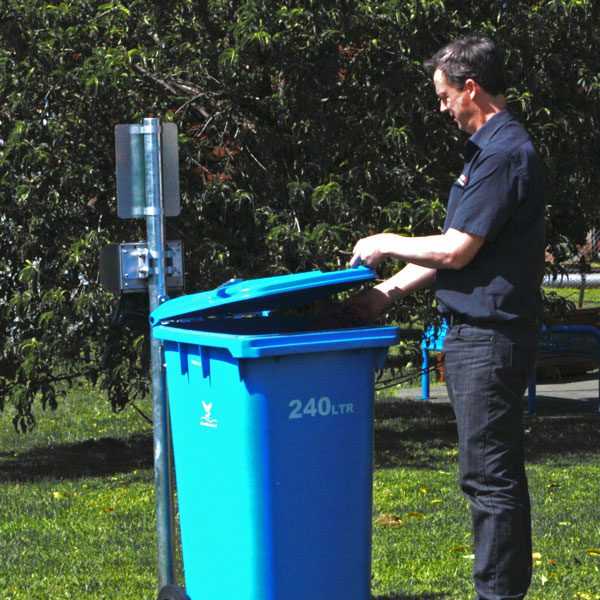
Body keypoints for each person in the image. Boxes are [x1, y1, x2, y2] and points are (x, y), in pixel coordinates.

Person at [342, 36, 546, 600]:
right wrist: (384, 296)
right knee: (487, 474)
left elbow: (454, 250)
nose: (441, 109)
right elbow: (459, 252)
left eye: (443, 96)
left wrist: (386, 240)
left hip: (489, 337)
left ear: (470, 88)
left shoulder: (503, 154)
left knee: (489, 478)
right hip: (476, 334)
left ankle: (498, 595)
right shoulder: (489, 153)